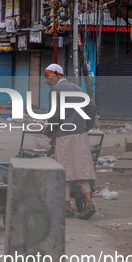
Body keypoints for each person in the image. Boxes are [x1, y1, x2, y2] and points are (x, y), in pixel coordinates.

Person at [44, 63, 97, 220]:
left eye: (47, 76)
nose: (45, 80)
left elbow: (54, 115)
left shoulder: (55, 91)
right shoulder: (78, 88)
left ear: (57, 74)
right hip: (80, 134)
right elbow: (91, 108)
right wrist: (84, 126)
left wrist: (48, 130)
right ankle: (89, 203)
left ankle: (67, 207)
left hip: (64, 136)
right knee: (81, 169)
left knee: (64, 170)